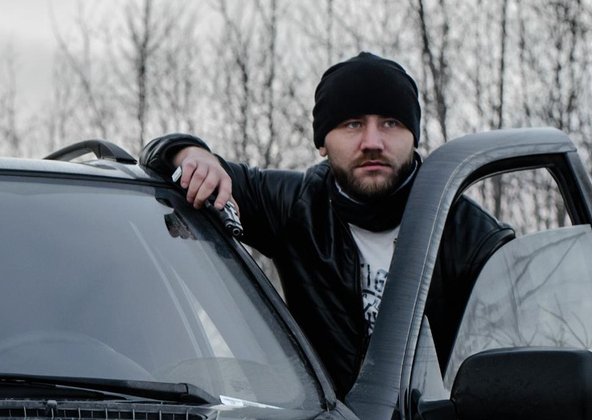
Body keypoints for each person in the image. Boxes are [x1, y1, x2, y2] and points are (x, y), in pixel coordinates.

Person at [141, 52, 511, 395]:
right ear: (322, 142)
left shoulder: (472, 237)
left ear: (413, 136)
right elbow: (163, 159)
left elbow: (502, 382)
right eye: (352, 124)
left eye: (390, 123)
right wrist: (192, 154)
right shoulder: (294, 206)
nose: (372, 141)